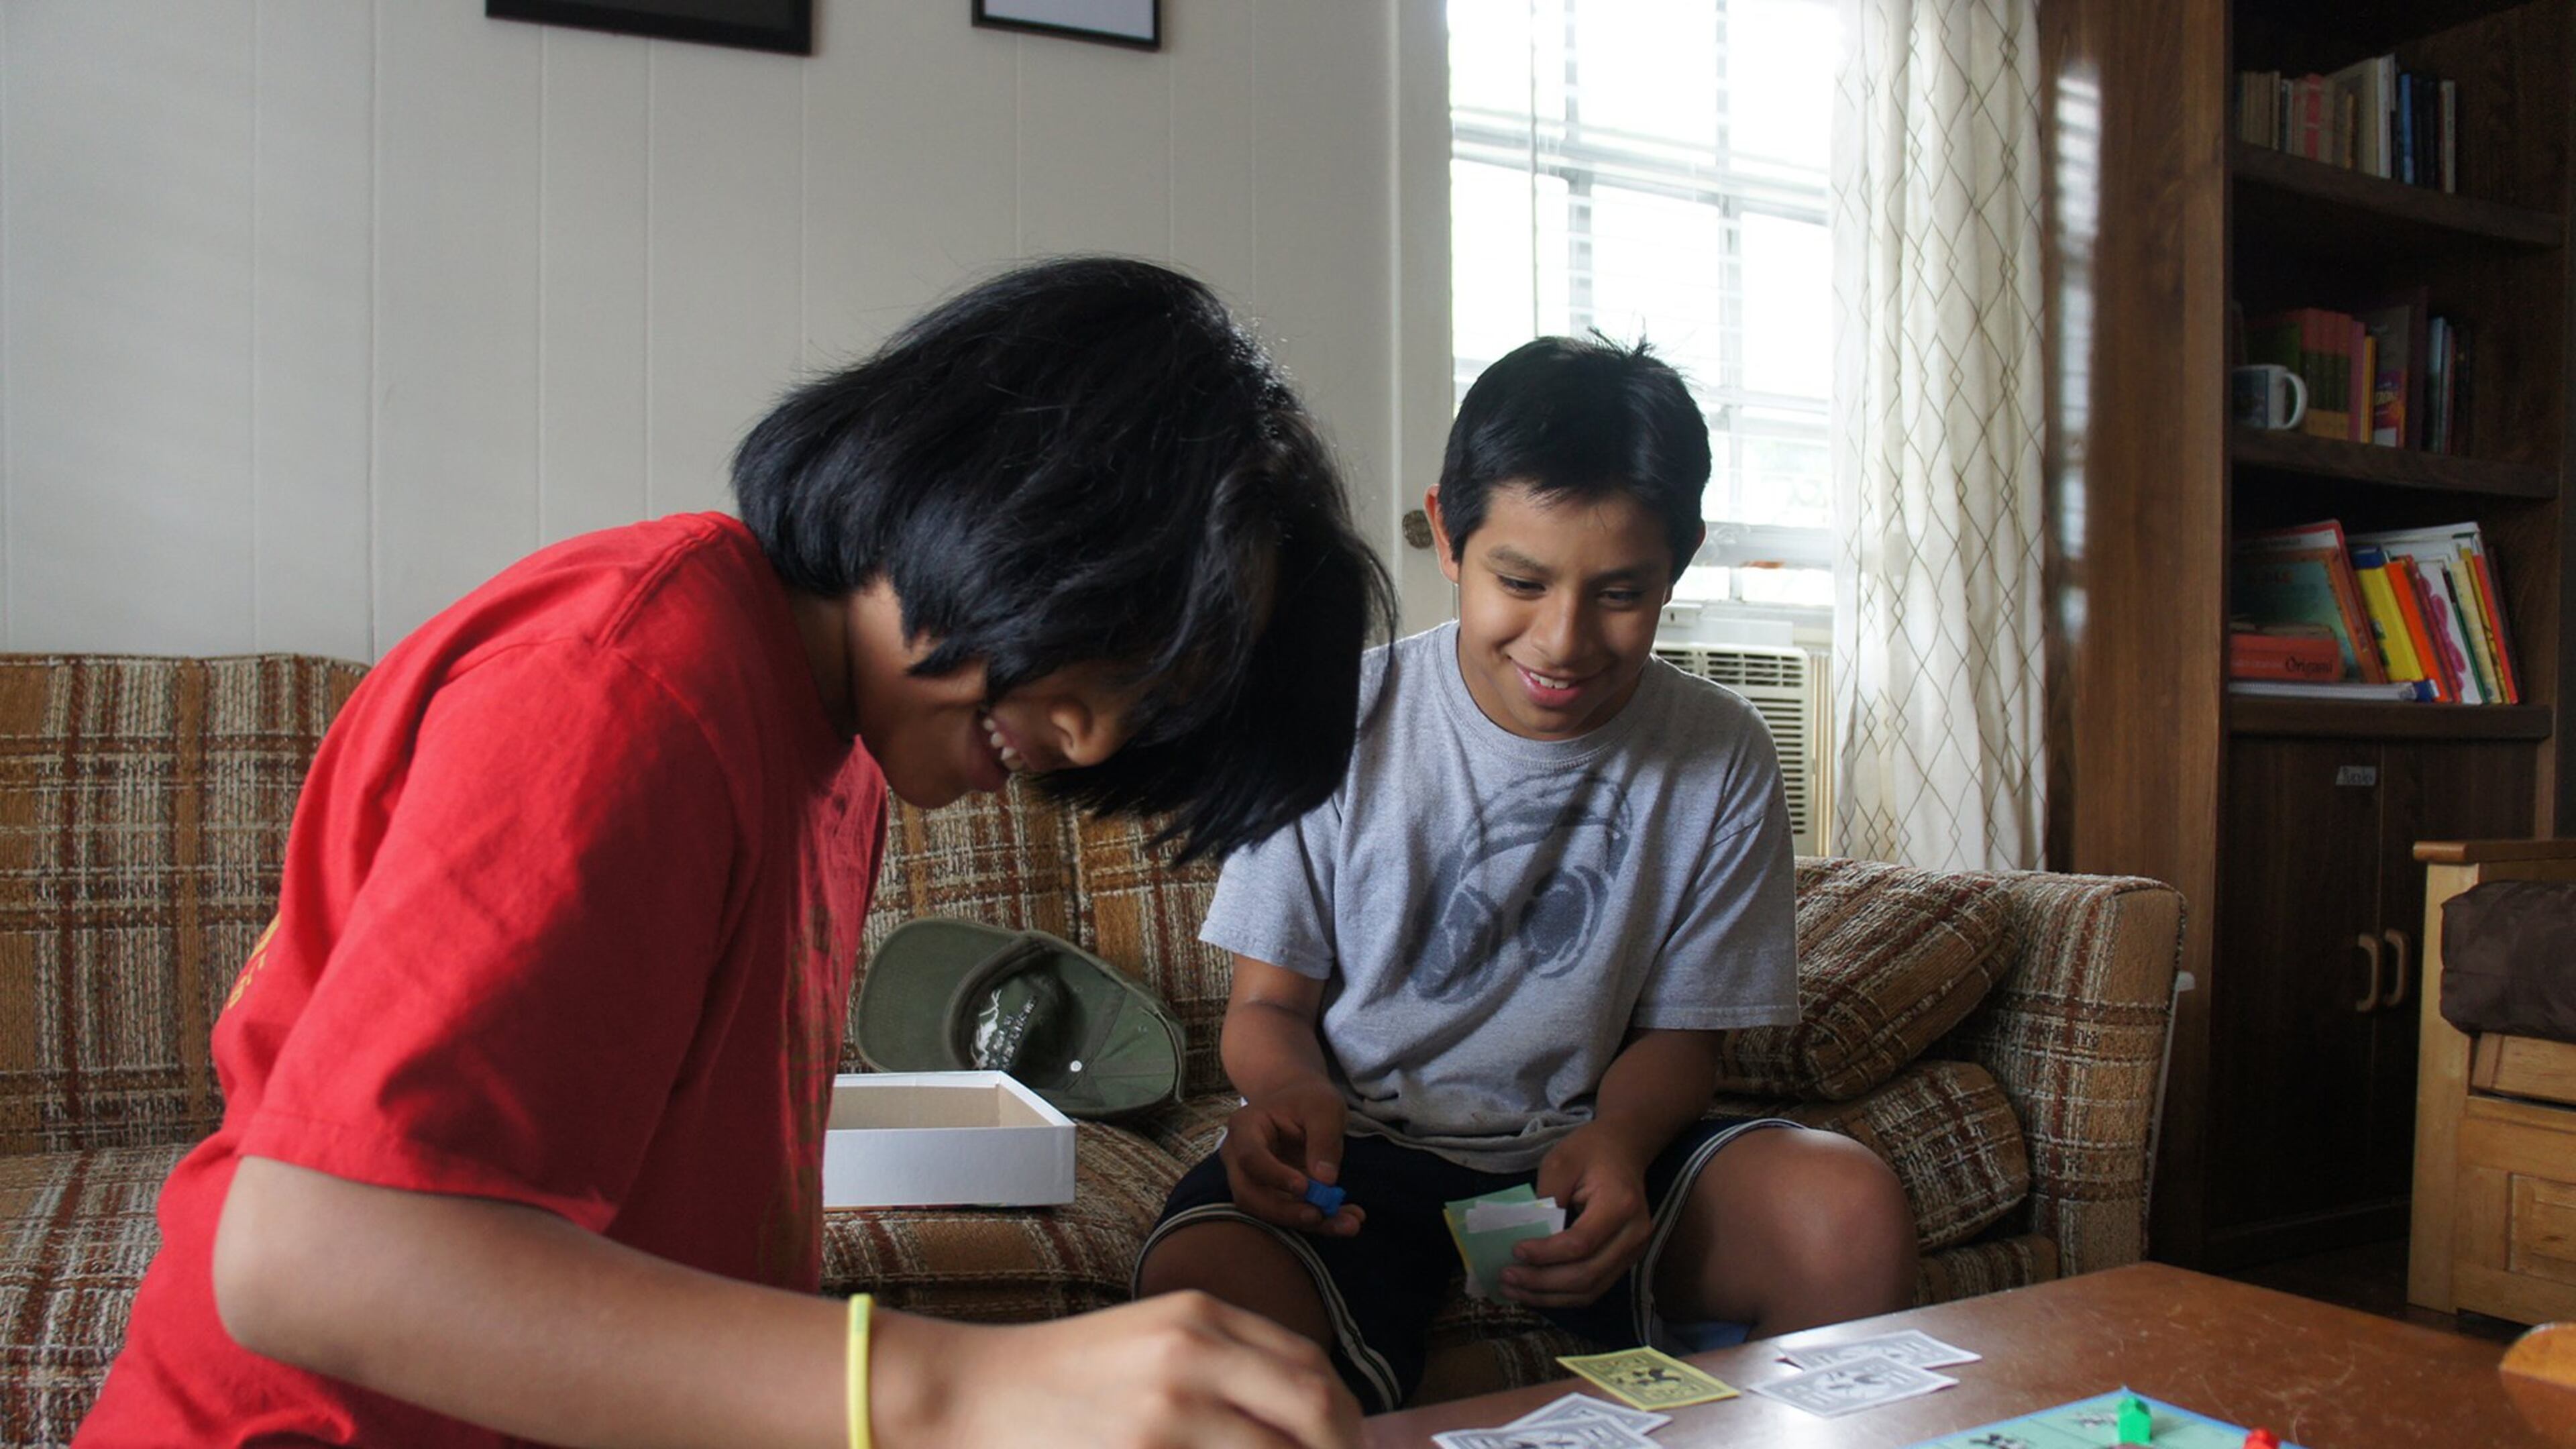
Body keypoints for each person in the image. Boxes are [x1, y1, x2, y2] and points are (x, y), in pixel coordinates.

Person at [77, 257, 1390, 1449]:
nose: (1095, 738)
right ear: (1013, 497)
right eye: (1116, 645)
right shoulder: (631, 684)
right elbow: (308, 1255)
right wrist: (959, 1390)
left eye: (1157, 710)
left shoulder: (842, 753)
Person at [1132, 334, 1917, 1412]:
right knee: (1196, 1301)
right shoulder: (1334, 716)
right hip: (1356, 1155)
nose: (1564, 639)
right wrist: (1294, 1093)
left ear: (1679, 562)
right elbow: (1268, 1006)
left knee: (1848, 1211)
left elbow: (1683, 1041)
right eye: (1522, 581)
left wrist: (1621, 1142)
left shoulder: (1720, 750)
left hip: (1587, 1150)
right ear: (1448, 537)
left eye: (1621, 594)